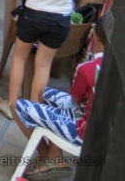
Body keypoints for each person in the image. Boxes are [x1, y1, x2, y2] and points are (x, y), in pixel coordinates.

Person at [11, 15, 106, 179]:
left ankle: (49, 158)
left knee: (15, 106)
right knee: (44, 93)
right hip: (101, 130)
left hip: (83, 132)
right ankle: (53, 156)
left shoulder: (88, 68)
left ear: (95, 35)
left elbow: (76, 99)